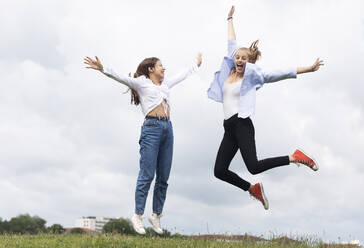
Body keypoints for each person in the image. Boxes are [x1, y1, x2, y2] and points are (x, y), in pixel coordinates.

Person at [207, 6, 324, 210]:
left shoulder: (252, 77)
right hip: (229, 128)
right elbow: (231, 43)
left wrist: (308, 68)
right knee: (219, 170)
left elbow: (282, 72)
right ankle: (252, 189)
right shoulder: (228, 71)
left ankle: (294, 157)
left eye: (244, 58)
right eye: (238, 57)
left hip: (242, 124)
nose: (240, 60)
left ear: (249, 62)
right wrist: (229, 18)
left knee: (253, 166)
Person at [84, 53, 202, 234]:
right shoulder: (141, 82)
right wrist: (102, 68)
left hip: (167, 129)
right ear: (151, 69)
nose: (164, 68)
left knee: (163, 177)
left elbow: (182, 75)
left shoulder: (165, 84)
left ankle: (156, 215)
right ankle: (138, 215)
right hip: (151, 128)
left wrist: (196, 65)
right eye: (160, 65)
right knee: (147, 174)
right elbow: (121, 77)